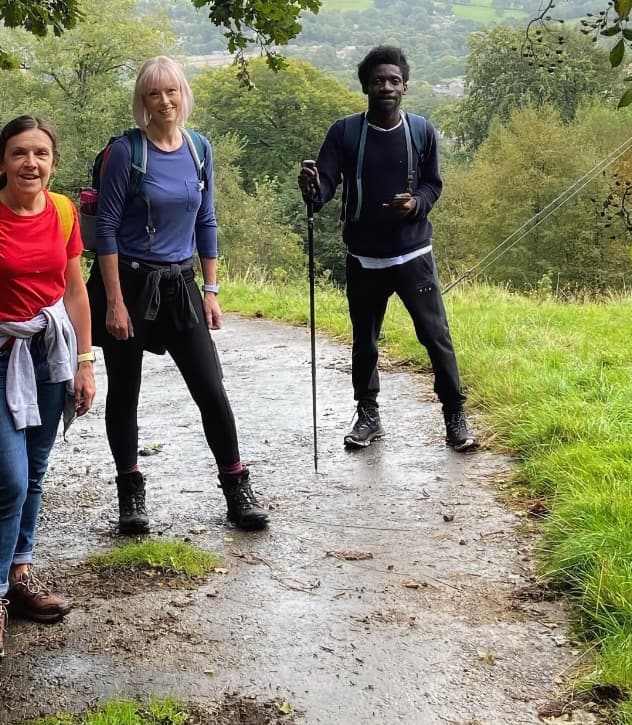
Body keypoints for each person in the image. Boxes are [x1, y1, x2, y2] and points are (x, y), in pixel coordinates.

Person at [88, 56, 269, 535]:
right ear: (142, 101)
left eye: (171, 92)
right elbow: (105, 228)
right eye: (153, 94)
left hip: (181, 284)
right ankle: (130, 493)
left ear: (183, 95)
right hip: (129, 282)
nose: (164, 101)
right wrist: (113, 302)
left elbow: (205, 220)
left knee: (210, 387)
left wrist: (211, 289)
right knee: (125, 391)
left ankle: (237, 487)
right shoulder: (129, 153)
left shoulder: (198, 148)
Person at [0, 115, 95, 666]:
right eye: (19, 153)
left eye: (41, 154)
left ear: (52, 161)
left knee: (35, 472)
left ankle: (21, 573)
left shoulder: (63, 212)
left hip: (49, 353)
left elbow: (75, 290)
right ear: (1, 160)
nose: (31, 164)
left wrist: (84, 361)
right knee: (8, 478)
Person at [299, 45, 478, 453]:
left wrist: (416, 203)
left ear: (405, 87)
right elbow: (324, 189)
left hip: (413, 254)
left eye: (394, 81)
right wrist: (312, 187)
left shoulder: (421, 131)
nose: (386, 87)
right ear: (365, 85)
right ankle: (368, 415)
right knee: (365, 342)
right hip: (364, 257)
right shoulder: (344, 132)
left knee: (436, 337)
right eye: (378, 80)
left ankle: (454, 414)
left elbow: (433, 183)